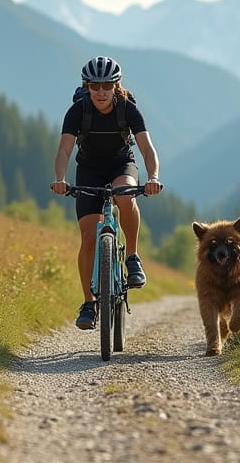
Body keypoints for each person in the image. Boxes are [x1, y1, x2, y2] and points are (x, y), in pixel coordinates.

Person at [50, 55, 163, 330]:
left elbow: (147, 148)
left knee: (125, 195)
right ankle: (88, 303)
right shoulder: (78, 111)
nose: (100, 92)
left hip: (121, 165)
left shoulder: (128, 109)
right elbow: (65, 149)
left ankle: (132, 257)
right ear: (87, 87)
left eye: (106, 86)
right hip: (89, 170)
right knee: (89, 238)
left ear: (116, 86)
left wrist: (153, 177)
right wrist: (60, 179)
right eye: (94, 86)